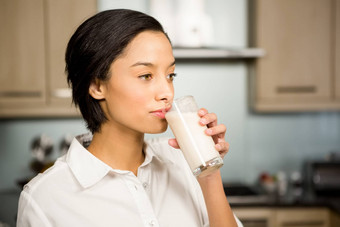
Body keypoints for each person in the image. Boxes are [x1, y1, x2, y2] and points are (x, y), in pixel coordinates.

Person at [16, 9, 242, 227]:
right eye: (146, 76)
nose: (167, 92)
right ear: (96, 86)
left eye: (170, 75)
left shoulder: (184, 161)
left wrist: (208, 171)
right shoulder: (45, 199)